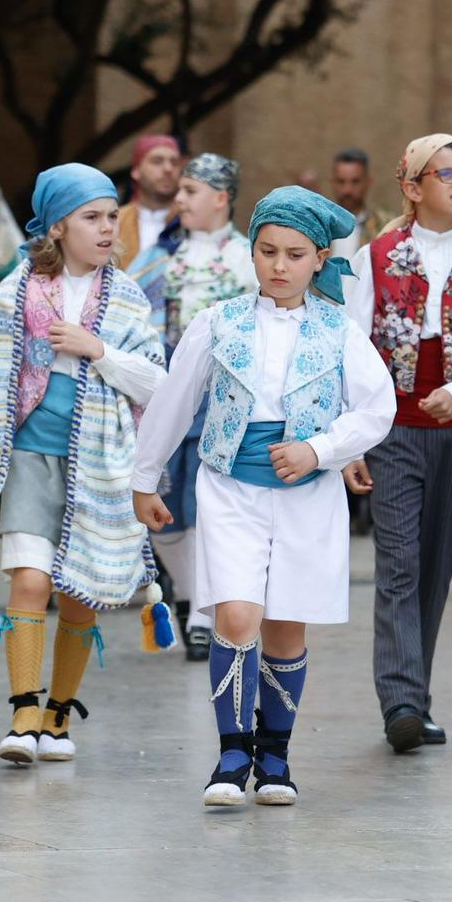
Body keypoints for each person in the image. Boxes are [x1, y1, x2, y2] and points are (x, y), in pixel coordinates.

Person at [0, 163, 170, 765]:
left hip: (100, 463)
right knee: (29, 578)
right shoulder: (21, 287)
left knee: (79, 596)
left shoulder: (124, 297)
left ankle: (59, 715)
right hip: (30, 455)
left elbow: (157, 382)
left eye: (110, 217)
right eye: (91, 218)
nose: (106, 229)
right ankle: (23, 712)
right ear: (58, 226)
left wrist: (97, 350)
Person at [133, 186, 395, 807]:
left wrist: (321, 448)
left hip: (307, 494)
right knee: (236, 614)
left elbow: (377, 408)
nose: (280, 266)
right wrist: (146, 479)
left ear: (318, 261)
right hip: (229, 485)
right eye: (268, 251)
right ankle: (231, 751)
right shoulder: (216, 322)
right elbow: (173, 402)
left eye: (295, 254)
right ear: (251, 253)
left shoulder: (339, 331)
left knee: (283, 625)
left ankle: (274, 756)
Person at [342, 133, 452, 752]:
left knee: (436, 566)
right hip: (394, 432)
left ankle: (417, 695)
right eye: (448, 174)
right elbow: (353, 346)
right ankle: (401, 704)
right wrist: (352, 442)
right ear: (413, 188)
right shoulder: (375, 256)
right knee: (397, 564)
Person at [141, 152, 255, 660]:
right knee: (163, 509)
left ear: (221, 197)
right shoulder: (161, 256)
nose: (179, 199)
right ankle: (192, 599)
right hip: (168, 394)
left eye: (190, 191)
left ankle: (205, 615)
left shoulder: (249, 257)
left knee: (208, 506)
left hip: (227, 400)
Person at [116, 135, 184, 269]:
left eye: (175, 163)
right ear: (136, 171)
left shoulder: (192, 222)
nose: (168, 169)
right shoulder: (115, 221)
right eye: (157, 161)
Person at [326, 147, 392, 266]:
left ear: (368, 182)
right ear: (332, 183)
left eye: (355, 182)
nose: (347, 190)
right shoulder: (319, 224)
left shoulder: (385, 226)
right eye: (341, 181)